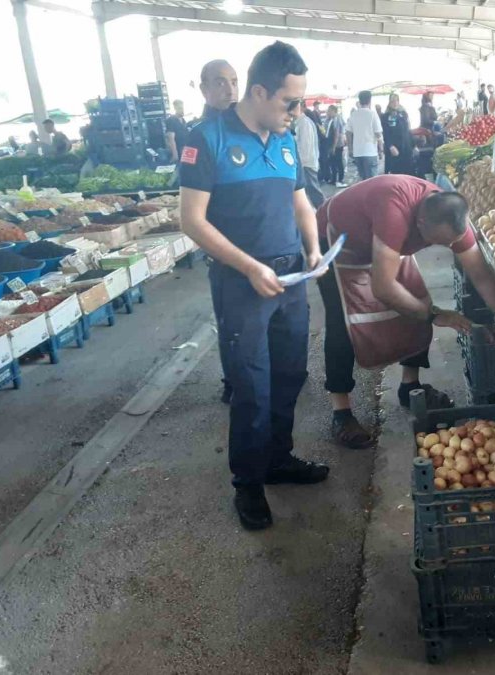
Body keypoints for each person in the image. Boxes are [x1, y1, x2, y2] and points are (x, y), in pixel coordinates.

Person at [179, 41, 328, 531]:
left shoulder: (286, 139)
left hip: (290, 278)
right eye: (290, 102)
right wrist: (247, 267)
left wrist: (311, 249)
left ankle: (277, 459)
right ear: (260, 92)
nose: (298, 111)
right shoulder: (208, 139)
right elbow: (192, 221)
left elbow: (300, 201)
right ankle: (248, 483)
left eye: (302, 101)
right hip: (243, 284)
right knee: (251, 387)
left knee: (290, 375)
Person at [315, 175, 495, 448]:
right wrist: (434, 315)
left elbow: (482, 277)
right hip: (337, 239)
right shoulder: (393, 213)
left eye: (449, 243)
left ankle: (410, 387)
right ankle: (341, 412)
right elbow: (383, 288)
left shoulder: (450, 219)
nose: (444, 247)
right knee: (345, 322)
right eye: (437, 242)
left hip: (384, 238)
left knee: (417, 297)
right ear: (421, 225)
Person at [196, 59, 241, 405]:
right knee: (231, 322)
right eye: (220, 82)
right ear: (205, 89)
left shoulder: (245, 128)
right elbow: (196, 213)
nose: (229, 89)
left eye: (234, 81)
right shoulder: (201, 135)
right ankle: (234, 382)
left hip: (256, 244)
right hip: (225, 247)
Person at [291, 101, 324, 208]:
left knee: (314, 192)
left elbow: (306, 147)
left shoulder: (304, 123)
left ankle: (325, 214)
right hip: (304, 163)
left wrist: (299, 163)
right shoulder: (299, 122)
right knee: (309, 193)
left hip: (306, 164)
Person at [346, 90, 383, 181]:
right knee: (372, 181)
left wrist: (350, 148)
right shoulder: (372, 114)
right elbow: (378, 133)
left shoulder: (354, 115)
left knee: (363, 181)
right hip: (370, 152)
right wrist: (381, 149)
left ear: (360, 100)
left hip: (358, 152)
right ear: (370, 100)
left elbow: (348, 132)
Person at [381, 93, 414, 176]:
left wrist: (414, 145)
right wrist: (390, 146)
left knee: (408, 172)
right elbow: (385, 134)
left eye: (396, 100)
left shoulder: (403, 114)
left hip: (406, 147)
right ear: (389, 102)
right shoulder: (385, 117)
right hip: (394, 148)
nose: (395, 103)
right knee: (396, 173)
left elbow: (408, 131)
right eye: (392, 101)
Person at [325, 105, 346, 187]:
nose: (328, 112)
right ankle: (333, 179)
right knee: (332, 162)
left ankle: (340, 179)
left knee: (338, 162)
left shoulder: (337, 119)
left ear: (334, 111)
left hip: (337, 144)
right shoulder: (330, 119)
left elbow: (337, 133)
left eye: (329, 111)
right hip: (332, 144)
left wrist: (333, 146)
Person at [165, 99, 190, 164]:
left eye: (182, 108)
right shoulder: (171, 120)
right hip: (179, 150)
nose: (182, 110)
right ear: (175, 108)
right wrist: (175, 154)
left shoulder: (183, 120)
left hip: (186, 150)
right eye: (180, 108)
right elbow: (171, 138)